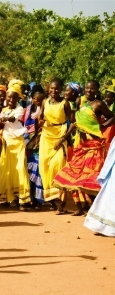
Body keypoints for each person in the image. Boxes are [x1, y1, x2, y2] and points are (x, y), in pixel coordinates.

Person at [53, 80, 114, 215]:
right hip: (82, 146)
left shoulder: (99, 104)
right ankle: (85, 208)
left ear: (97, 90)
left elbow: (112, 117)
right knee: (74, 173)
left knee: (92, 178)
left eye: (92, 89)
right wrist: (63, 138)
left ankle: (99, 210)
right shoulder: (81, 102)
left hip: (95, 146)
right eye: (87, 88)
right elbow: (75, 124)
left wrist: (101, 127)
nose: (89, 91)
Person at [38, 78, 73, 213]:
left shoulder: (65, 104)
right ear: (48, 89)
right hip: (46, 137)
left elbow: (73, 124)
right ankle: (52, 200)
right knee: (45, 168)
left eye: (57, 88)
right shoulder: (44, 102)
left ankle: (62, 203)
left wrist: (63, 139)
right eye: (52, 88)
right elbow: (40, 117)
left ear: (61, 89)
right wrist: (41, 122)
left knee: (57, 166)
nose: (54, 91)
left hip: (60, 136)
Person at [0, 82, 31, 208]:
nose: (11, 100)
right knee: (7, 169)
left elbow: (13, 119)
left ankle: (23, 199)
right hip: (7, 142)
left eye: (14, 97)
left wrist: (4, 118)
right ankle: (9, 198)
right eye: (9, 97)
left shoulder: (19, 110)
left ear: (18, 99)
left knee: (19, 169)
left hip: (18, 142)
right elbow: (2, 125)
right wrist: (0, 121)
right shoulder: (4, 110)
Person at [23, 85, 46, 209]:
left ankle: (39, 200)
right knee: (29, 171)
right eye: (36, 99)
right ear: (32, 98)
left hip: (40, 142)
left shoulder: (44, 110)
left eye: (41, 99)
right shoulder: (27, 110)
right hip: (29, 144)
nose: (38, 101)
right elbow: (24, 126)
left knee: (38, 171)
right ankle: (31, 198)